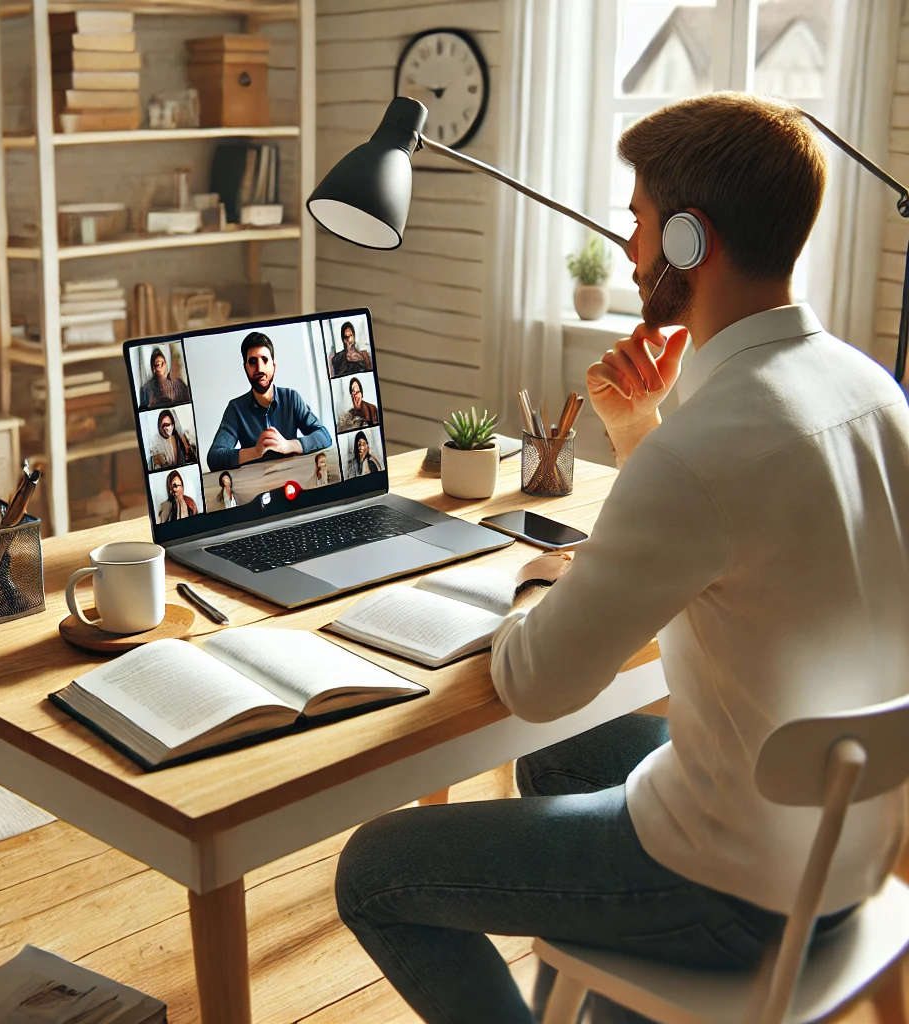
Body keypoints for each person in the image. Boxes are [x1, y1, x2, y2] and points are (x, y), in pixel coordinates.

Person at [333, 93, 909, 1024]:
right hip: (842, 846)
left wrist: (532, 581)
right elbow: (738, 543)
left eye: (638, 219)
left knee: (374, 869)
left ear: (691, 239)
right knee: (561, 761)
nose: (630, 243)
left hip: (736, 893)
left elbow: (534, 684)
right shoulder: (870, 389)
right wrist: (639, 427)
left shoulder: (709, 444)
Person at [207, 331, 332, 471]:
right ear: (245, 368)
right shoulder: (235, 409)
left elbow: (324, 436)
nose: (259, 368)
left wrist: (288, 446)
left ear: (274, 366)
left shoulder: (291, 398)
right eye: (253, 362)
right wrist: (255, 452)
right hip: (257, 487)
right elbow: (214, 458)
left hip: (292, 481)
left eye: (265, 360)